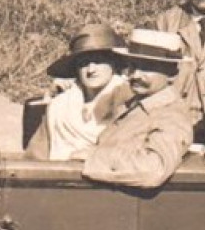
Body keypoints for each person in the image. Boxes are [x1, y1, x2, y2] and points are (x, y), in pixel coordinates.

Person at [83, 29, 195, 189]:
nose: (135, 75)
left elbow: (153, 169)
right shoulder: (137, 105)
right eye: (132, 66)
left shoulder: (170, 115)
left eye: (147, 67)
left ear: (172, 73)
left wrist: (93, 157)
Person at [26, 24, 132, 161]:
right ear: (76, 68)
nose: (91, 69)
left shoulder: (130, 103)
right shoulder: (59, 106)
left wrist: (96, 155)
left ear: (113, 64)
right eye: (84, 63)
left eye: (99, 61)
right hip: (60, 177)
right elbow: (35, 157)